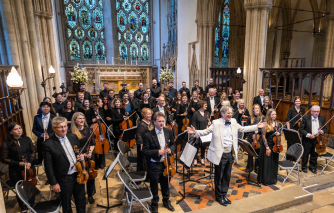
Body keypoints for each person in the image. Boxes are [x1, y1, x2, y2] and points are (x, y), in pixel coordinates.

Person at [187, 106, 264, 206]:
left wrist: (256, 126)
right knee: (219, 176)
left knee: (227, 176)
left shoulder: (233, 121)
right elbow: (206, 131)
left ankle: (224, 195)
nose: (230, 115)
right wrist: (196, 132)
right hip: (220, 154)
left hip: (229, 154)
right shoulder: (216, 123)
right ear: (222, 114)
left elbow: (243, 129)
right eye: (228, 113)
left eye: (231, 113)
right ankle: (219, 197)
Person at [43, 116, 86, 213]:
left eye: (65, 126)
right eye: (61, 127)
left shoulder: (73, 137)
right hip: (64, 178)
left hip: (78, 173)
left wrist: (81, 156)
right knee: (66, 205)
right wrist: (54, 183)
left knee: (81, 201)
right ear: (54, 128)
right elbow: (48, 166)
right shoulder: (48, 144)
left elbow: (78, 152)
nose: (64, 129)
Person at [142, 112, 176, 213]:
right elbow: (145, 151)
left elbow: (173, 144)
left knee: (166, 184)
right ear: (154, 121)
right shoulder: (148, 135)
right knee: (154, 186)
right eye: (159, 121)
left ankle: (166, 201)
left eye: (163, 121)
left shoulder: (168, 131)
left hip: (166, 163)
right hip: (154, 164)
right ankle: (155, 204)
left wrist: (170, 149)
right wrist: (158, 152)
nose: (161, 123)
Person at [1, 123, 36, 213]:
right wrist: (18, 163)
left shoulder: (26, 139)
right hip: (16, 170)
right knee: (19, 188)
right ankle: (23, 206)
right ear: (11, 132)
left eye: (20, 128)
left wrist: (29, 162)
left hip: (29, 168)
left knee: (30, 186)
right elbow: (4, 158)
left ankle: (32, 204)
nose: (19, 130)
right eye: (16, 129)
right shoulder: (6, 143)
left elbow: (33, 151)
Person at [71, 112, 96, 204]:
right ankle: (81, 196)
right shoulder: (71, 132)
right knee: (80, 177)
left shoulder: (89, 130)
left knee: (90, 176)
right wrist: (79, 155)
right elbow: (71, 147)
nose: (82, 120)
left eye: (83, 118)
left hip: (89, 156)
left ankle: (90, 194)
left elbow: (93, 143)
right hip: (78, 157)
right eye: (79, 118)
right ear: (75, 120)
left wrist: (90, 152)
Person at [300, 105, 327, 174]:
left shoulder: (322, 118)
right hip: (308, 139)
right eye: (315, 111)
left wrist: (322, 131)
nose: (316, 113)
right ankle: (304, 167)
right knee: (306, 153)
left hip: (317, 139)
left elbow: (325, 128)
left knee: (314, 154)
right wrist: (309, 135)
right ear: (311, 111)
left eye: (318, 111)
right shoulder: (306, 118)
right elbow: (301, 129)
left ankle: (312, 167)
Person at [258, 109, 281, 185]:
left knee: (273, 162)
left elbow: (279, 134)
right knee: (266, 163)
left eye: (275, 114)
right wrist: (267, 148)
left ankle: (272, 179)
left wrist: (278, 133)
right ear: (269, 115)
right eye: (272, 114)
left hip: (275, 145)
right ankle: (265, 180)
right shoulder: (265, 124)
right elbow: (263, 137)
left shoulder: (277, 123)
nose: (274, 116)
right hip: (266, 145)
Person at [85, 98, 106, 168]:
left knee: (102, 144)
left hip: (100, 131)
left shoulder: (101, 110)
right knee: (94, 147)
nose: (102, 103)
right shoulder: (89, 111)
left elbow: (103, 119)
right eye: (101, 102)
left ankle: (102, 162)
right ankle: (96, 163)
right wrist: (94, 119)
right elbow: (87, 122)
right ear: (97, 103)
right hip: (93, 132)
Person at [191, 100, 211, 166]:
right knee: (196, 146)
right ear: (201, 105)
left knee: (203, 146)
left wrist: (209, 123)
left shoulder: (207, 113)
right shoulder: (196, 113)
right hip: (197, 132)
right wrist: (196, 133)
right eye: (205, 105)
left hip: (204, 132)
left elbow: (207, 123)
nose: (206, 106)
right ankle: (195, 159)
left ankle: (202, 158)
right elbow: (193, 123)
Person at [245, 104, 264, 173]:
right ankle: (249, 166)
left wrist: (258, 130)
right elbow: (246, 128)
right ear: (253, 110)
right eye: (255, 108)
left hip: (259, 137)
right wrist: (253, 130)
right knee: (250, 152)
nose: (257, 110)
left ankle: (257, 167)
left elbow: (264, 129)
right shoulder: (250, 118)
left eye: (258, 108)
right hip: (251, 136)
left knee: (258, 153)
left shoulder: (262, 118)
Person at [136, 108, 154, 173]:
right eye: (148, 114)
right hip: (143, 145)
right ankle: (143, 174)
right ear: (144, 115)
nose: (150, 115)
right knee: (143, 160)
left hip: (148, 143)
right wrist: (141, 145)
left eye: (151, 113)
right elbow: (139, 135)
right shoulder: (142, 124)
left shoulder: (149, 121)